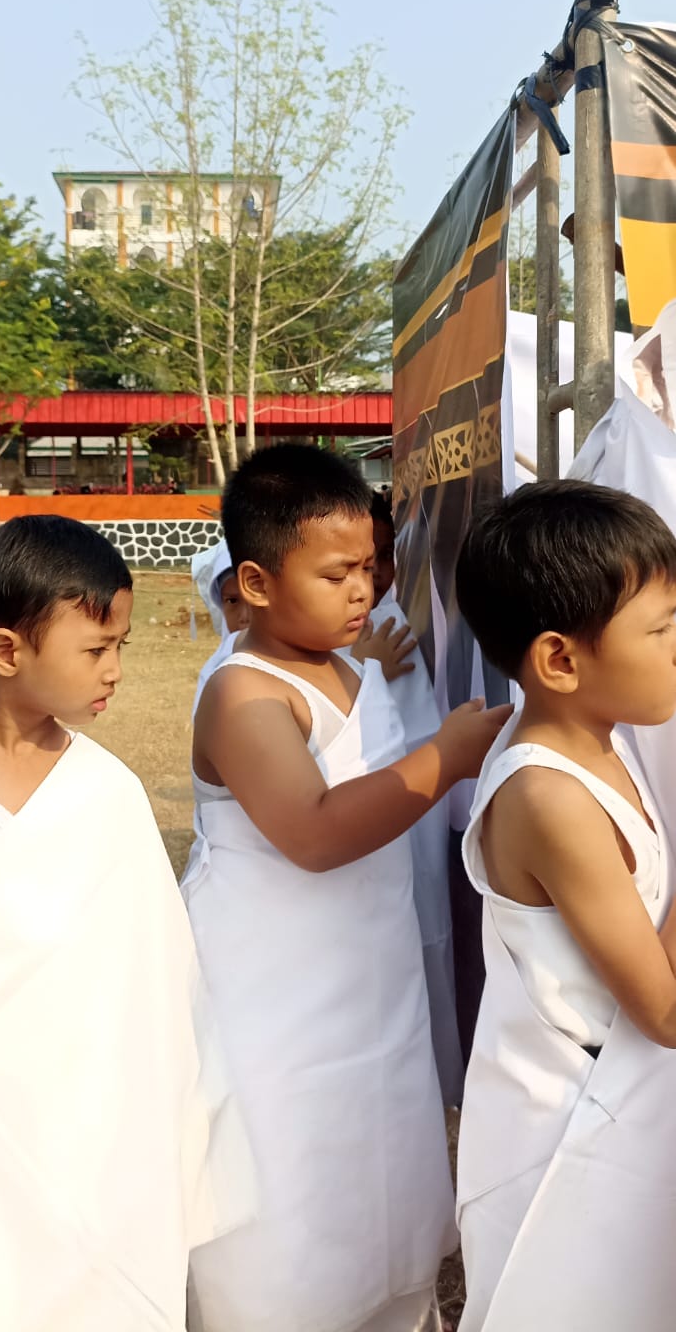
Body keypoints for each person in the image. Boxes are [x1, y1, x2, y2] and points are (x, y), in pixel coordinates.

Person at [184, 443, 510, 1332]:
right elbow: (316, 832)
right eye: (335, 574)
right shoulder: (245, 695)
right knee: (289, 1197)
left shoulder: (348, 666)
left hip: (368, 985)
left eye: (369, 566)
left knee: (379, 1187)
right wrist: (443, 756)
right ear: (253, 582)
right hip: (275, 1006)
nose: (362, 590)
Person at [0, 516, 254, 1330]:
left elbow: (159, 983)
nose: (116, 670)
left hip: (100, 1126)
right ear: (6, 651)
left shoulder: (110, 792)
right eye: (95, 650)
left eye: (120, 645)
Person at [454, 480, 676, 1331]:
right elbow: (660, 1009)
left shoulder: (590, 737)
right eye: (658, 630)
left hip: (609, 1112)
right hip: (571, 1137)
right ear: (559, 660)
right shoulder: (552, 796)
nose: (673, 647)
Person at [359, 493, 463, 1106]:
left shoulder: (395, 622)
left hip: (412, 822)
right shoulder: (359, 638)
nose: (367, 578)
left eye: (377, 560)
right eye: (349, 565)